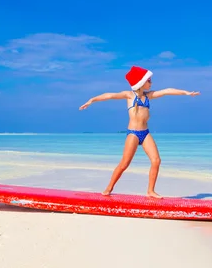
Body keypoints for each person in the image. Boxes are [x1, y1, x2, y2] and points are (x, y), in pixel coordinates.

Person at [79, 65, 200, 198]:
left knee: (156, 160)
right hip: (133, 133)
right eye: (149, 80)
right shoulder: (129, 95)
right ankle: (108, 188)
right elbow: (110, 95)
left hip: (145, 133)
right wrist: (92, 100)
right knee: (124, 164)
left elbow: (167, 91)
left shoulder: (149, 96)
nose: (151, 83)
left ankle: (150, 191)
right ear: (141, 82)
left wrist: (186, 93)